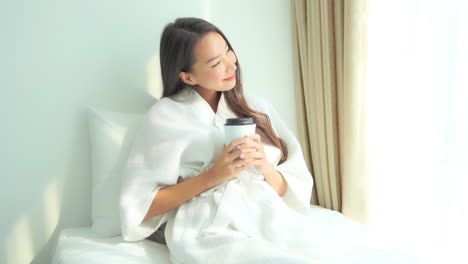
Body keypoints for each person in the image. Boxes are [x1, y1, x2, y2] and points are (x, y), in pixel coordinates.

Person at [120, 17, 418, 264]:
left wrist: (265, 166)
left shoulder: (255, 107)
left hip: (266, 214)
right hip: (205, 227)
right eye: (215, 62)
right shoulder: (165, 116)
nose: (230, 64)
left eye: (228, 52)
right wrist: (215, 175)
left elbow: (295, 190)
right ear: (187, 77)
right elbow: (142, 206)